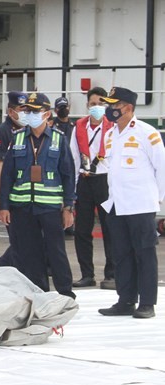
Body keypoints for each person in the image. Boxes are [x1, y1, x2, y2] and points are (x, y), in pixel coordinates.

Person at [0, 92, 76, 299]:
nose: (30, 114)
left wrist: (68, 207)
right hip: (22, 207)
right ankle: (39, 292)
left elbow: (68, 175)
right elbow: (7, 175)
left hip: (50, 207)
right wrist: (3, 205)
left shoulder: (59, 139)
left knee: (56, 251)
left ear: (47, 114)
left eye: (35, 111)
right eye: (27, 111)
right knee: (29, 252)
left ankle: (65, 293)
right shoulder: (17, 139)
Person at [97, 87, 165, 319]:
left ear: (128, 107)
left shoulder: (147, 133)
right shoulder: (109, 135)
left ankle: (147, 303)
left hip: (141, 204)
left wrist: (158, 199)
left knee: (144, 254)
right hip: (117, 204)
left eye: (114, 105)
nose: (110, 109)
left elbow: (162, 167)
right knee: (122, 254)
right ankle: (125, 300)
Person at [69, 87, 116, 290]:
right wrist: (73, 186)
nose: (97, 107)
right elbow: (73, 157)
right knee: (82, 230)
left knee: (110, 228)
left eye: (101, 103)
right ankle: (87, 274)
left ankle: (112, 274)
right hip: (85, 180)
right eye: (93, 104)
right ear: (88, 105)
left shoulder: (113, 127)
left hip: (105, 180)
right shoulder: (79, 126)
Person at [0, 91, 27, 267]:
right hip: (11, 195)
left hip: (26, 194)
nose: (25, 113)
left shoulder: (27, 130)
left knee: (27, 237)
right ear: (11, 111)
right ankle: (3, 265)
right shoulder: (2, 132)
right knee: (19, 239)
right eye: (22, 109)